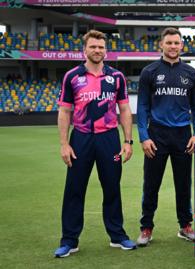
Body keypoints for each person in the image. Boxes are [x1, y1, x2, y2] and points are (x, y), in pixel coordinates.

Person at [55, 30, 136, 258]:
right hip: (81, 138)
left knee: (112, 187)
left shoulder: (116, 77)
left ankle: (117, 236)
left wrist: (128, 141)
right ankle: (69, 240)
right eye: (93, 47)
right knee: (74, 189)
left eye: (101, 47)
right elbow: (64, 111)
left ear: (106, 51)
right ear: (85, 50)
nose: (97, 50)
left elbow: (125, 109)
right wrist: (64, 144)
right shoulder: (72, 76)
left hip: (109, 139)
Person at [136, 27, 195, 246]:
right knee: (151, 184)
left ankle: (185, 226)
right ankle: (146, 228)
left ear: (181, 45)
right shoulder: (149, 71)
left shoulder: (191, 73)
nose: (173, 46)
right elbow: (143, 106)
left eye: (176, 43)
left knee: (184, 184)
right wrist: (144, 137)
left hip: (183, 135)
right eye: (169, 43)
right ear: (161, 45)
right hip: (157, 135)